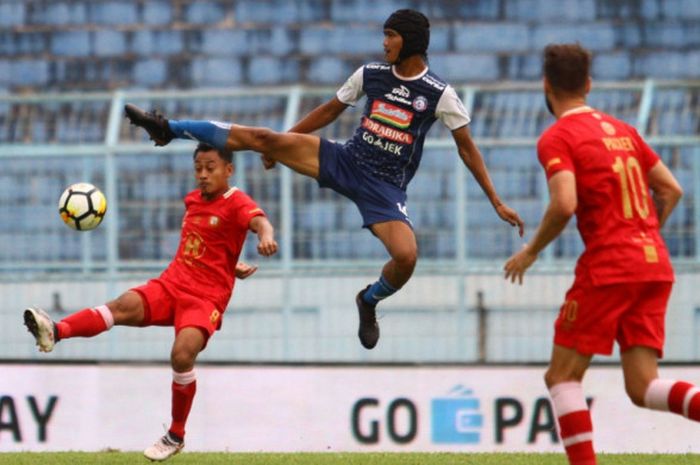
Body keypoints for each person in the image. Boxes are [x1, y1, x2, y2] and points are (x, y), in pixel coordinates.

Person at [124, 8, 524, 350]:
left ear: (411, 41)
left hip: (383, 188)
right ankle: (167, 128)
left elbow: (467, 148)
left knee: (406, 257)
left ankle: (368, 299)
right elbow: (331, 110)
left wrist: (496, 201)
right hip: (345, 160)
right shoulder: (371, 74)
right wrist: (280, 145)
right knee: (262, 136)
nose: (384, 43)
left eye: (391, 36)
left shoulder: (439, 94)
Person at [24, 142, 278, 462]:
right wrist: (230, 262)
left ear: (228, 170)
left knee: (182, 355)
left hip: (205, 297)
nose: (202, 174)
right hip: (172, 283)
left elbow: (259, 221)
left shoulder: (237, 201)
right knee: (122, 305)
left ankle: (175, 434)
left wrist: (265, 236)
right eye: (198, 168)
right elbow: (208, 243)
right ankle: (56, 331)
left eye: (210, 167)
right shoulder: (193, 200)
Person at [503, 43, 689, 465]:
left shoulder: (558, 136)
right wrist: (642, 234)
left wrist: (530, 251)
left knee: (562, 376)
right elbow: (671, 189)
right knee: (643, 387)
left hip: (609, 266)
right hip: (654, 262)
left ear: (546, 86)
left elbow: (565, 202)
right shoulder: (625, 131)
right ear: (588, 84)